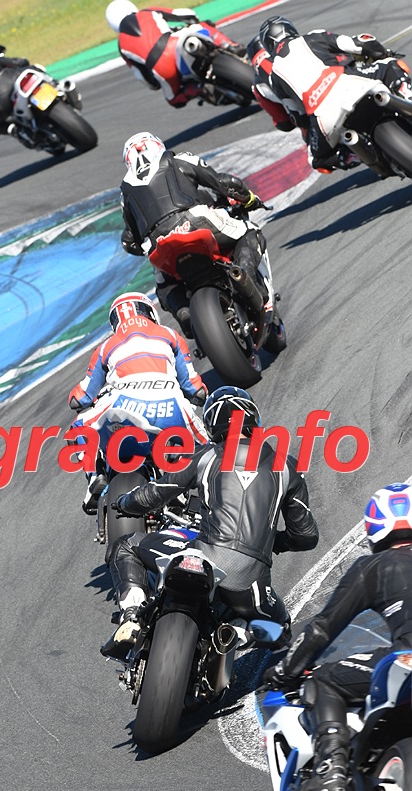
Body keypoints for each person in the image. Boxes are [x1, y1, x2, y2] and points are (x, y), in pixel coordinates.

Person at [100, 386, 319, 658]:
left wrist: (123, 502)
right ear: (254, 419)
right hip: (251, 583)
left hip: (206, 555)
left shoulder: (206, 455)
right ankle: (239, 634)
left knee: (126, 545)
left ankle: (132, 615)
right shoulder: (288, 467)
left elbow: (155, 493)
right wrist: (273, 541)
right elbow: (306, 536)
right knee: (281, 629)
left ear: (212, 425)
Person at [265, 483, 412, 791]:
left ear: (375, 525)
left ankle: (331, 769)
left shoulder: (373, 566)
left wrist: (286, 671)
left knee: (324, 680)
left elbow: (322, 629)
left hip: (407, 658)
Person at [68, 292, 208, 513]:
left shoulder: (106, 347)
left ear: (115, 320)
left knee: (79, 426)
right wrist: (197, 395)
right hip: (171, 407)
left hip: (122, 405)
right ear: (150, 312)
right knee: (211, 452)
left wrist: (76, 398)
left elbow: (81, 397)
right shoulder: (170, 335)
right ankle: (204, 491)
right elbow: (195, 389)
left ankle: (95, 476)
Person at [119, 131, 266, 340]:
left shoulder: (125, 190)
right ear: (158, 146)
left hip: (157, 242)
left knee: (164, 285)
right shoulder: (179, 159)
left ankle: (184, 313)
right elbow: (222, 182)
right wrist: (250, 199)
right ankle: (246, 280)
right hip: (195, 219)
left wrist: (146, 246)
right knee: (250, 231)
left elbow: (129, 240)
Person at [254, 15, 394, 172]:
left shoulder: (274, 77)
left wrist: (311, 129)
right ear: (290, 29)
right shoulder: (312, 37)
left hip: (323, 117)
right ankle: (407, 94)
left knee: (316, 160)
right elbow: (360, 43)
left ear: (268, 46)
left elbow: (297, 116)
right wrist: (383, 53)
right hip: (350, 84)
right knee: (390, 65)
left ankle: (354, 155)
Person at [105, 1, 247, 108]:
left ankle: (198, 89)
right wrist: (193, 21)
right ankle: (230, 45)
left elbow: (143, 77)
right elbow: (185, 14)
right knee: (203, 26)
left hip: (162, 69)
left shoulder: (121, 46)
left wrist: (155, 84)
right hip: (175, 43)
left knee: (174, 100)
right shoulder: (147, 12)